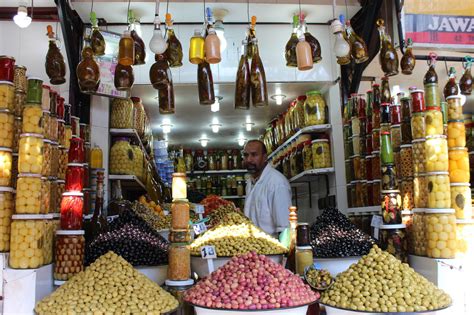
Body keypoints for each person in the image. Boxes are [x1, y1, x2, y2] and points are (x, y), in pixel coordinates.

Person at [242, 139, 292, 237]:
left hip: (273, 249)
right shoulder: (250, 182)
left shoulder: (277, 183)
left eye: (254, 155)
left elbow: (285, 228)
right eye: (246, 155)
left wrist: (283, 252)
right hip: (254, 249)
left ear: (265, 157)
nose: (249, 160)